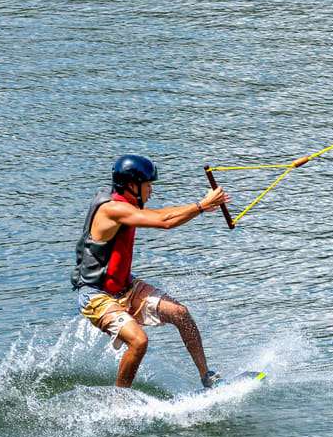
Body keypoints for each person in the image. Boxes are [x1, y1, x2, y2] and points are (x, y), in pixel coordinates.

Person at [71, 154, 230, 389]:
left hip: (126, 286)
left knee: (180, 313)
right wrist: (201, 206)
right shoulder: (112, 210)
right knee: (139, 341)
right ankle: (119, 401)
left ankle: (208, 377)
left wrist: (201, 207)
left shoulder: (125, 203)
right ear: (131, 186)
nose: (151, 192)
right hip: (96, 295)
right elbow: (164, 220)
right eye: (148, 185)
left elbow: (163, 213)